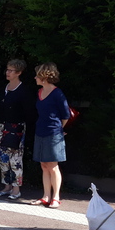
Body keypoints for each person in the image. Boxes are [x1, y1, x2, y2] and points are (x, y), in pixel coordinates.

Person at [31, 62, 71, 208]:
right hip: (40, 131)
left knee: (53, 166)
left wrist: (58, 130)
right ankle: (46, 196)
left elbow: (66, 115)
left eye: (37, 75)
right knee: (44, 165)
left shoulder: (57, 93)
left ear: (44, 76)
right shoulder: (39, 92)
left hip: (53, 133)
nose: (35, 78)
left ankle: (56, 197)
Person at [0, 59, 33, 200]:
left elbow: (28, 113)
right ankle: (6, 186)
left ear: (19, 73)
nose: (7, 72)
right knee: (3, 157)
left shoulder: (24, 91)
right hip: (1, 126)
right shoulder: (4, 88)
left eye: (11, 70)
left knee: (15, 158)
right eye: (7, 69)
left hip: (16, 127)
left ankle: (16, 189)